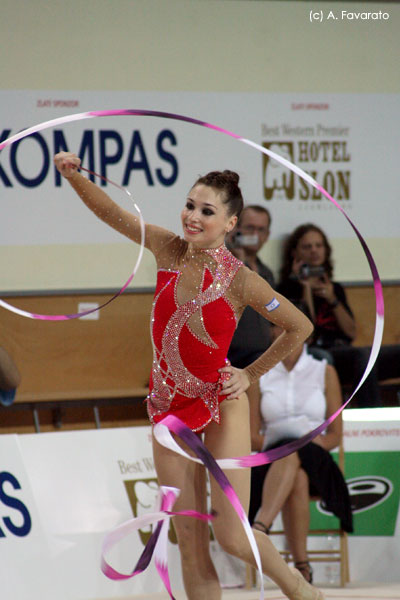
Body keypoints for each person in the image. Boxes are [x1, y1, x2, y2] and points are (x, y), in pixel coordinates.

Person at [54, 151, 323, 600]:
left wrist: (250, 374)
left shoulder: (241, 279)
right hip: (169, 410)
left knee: (232, 538)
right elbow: (111, 213)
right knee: (190, 545)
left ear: (231, 222)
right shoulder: (166, 247)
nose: (192, 217)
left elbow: (300, 326)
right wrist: (73, 176)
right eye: (190, 205)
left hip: (220, 405)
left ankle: (298, 588)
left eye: (207, 211)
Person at [248, 316, 353, 584]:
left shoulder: (323, 370)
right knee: (294, 469)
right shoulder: (259, 374)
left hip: (316, 455)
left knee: (298, 454)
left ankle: (260, 527)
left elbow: (335, 436)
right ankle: (302, 568)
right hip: (272, 457)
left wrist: (311, 442)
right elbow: (251, 437)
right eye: (278, 325)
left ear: (306, 331)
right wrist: (278, 443)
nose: (284, 331)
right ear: (271, 332)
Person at [277, 223, 380, 408]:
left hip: (340, 348)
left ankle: (372, 416)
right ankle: (333, 419)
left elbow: (351, 333)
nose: (314, 251)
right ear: (295, 253)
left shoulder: (335, 288)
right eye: (307, 247)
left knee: (366, 354)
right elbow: (309, 333)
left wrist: (332, 298)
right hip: (312, 350)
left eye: (319, 245)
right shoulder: (286, 289)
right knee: (325, 359)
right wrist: (305, 289)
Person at [226, 205, 275, 369]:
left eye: (261, 230)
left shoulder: (267, 273)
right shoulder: (222, 265)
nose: (255, 235)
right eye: (249, 228)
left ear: (267, 236)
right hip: (231, 357)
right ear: (235, 228)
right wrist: (238, 260)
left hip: (262, 354)